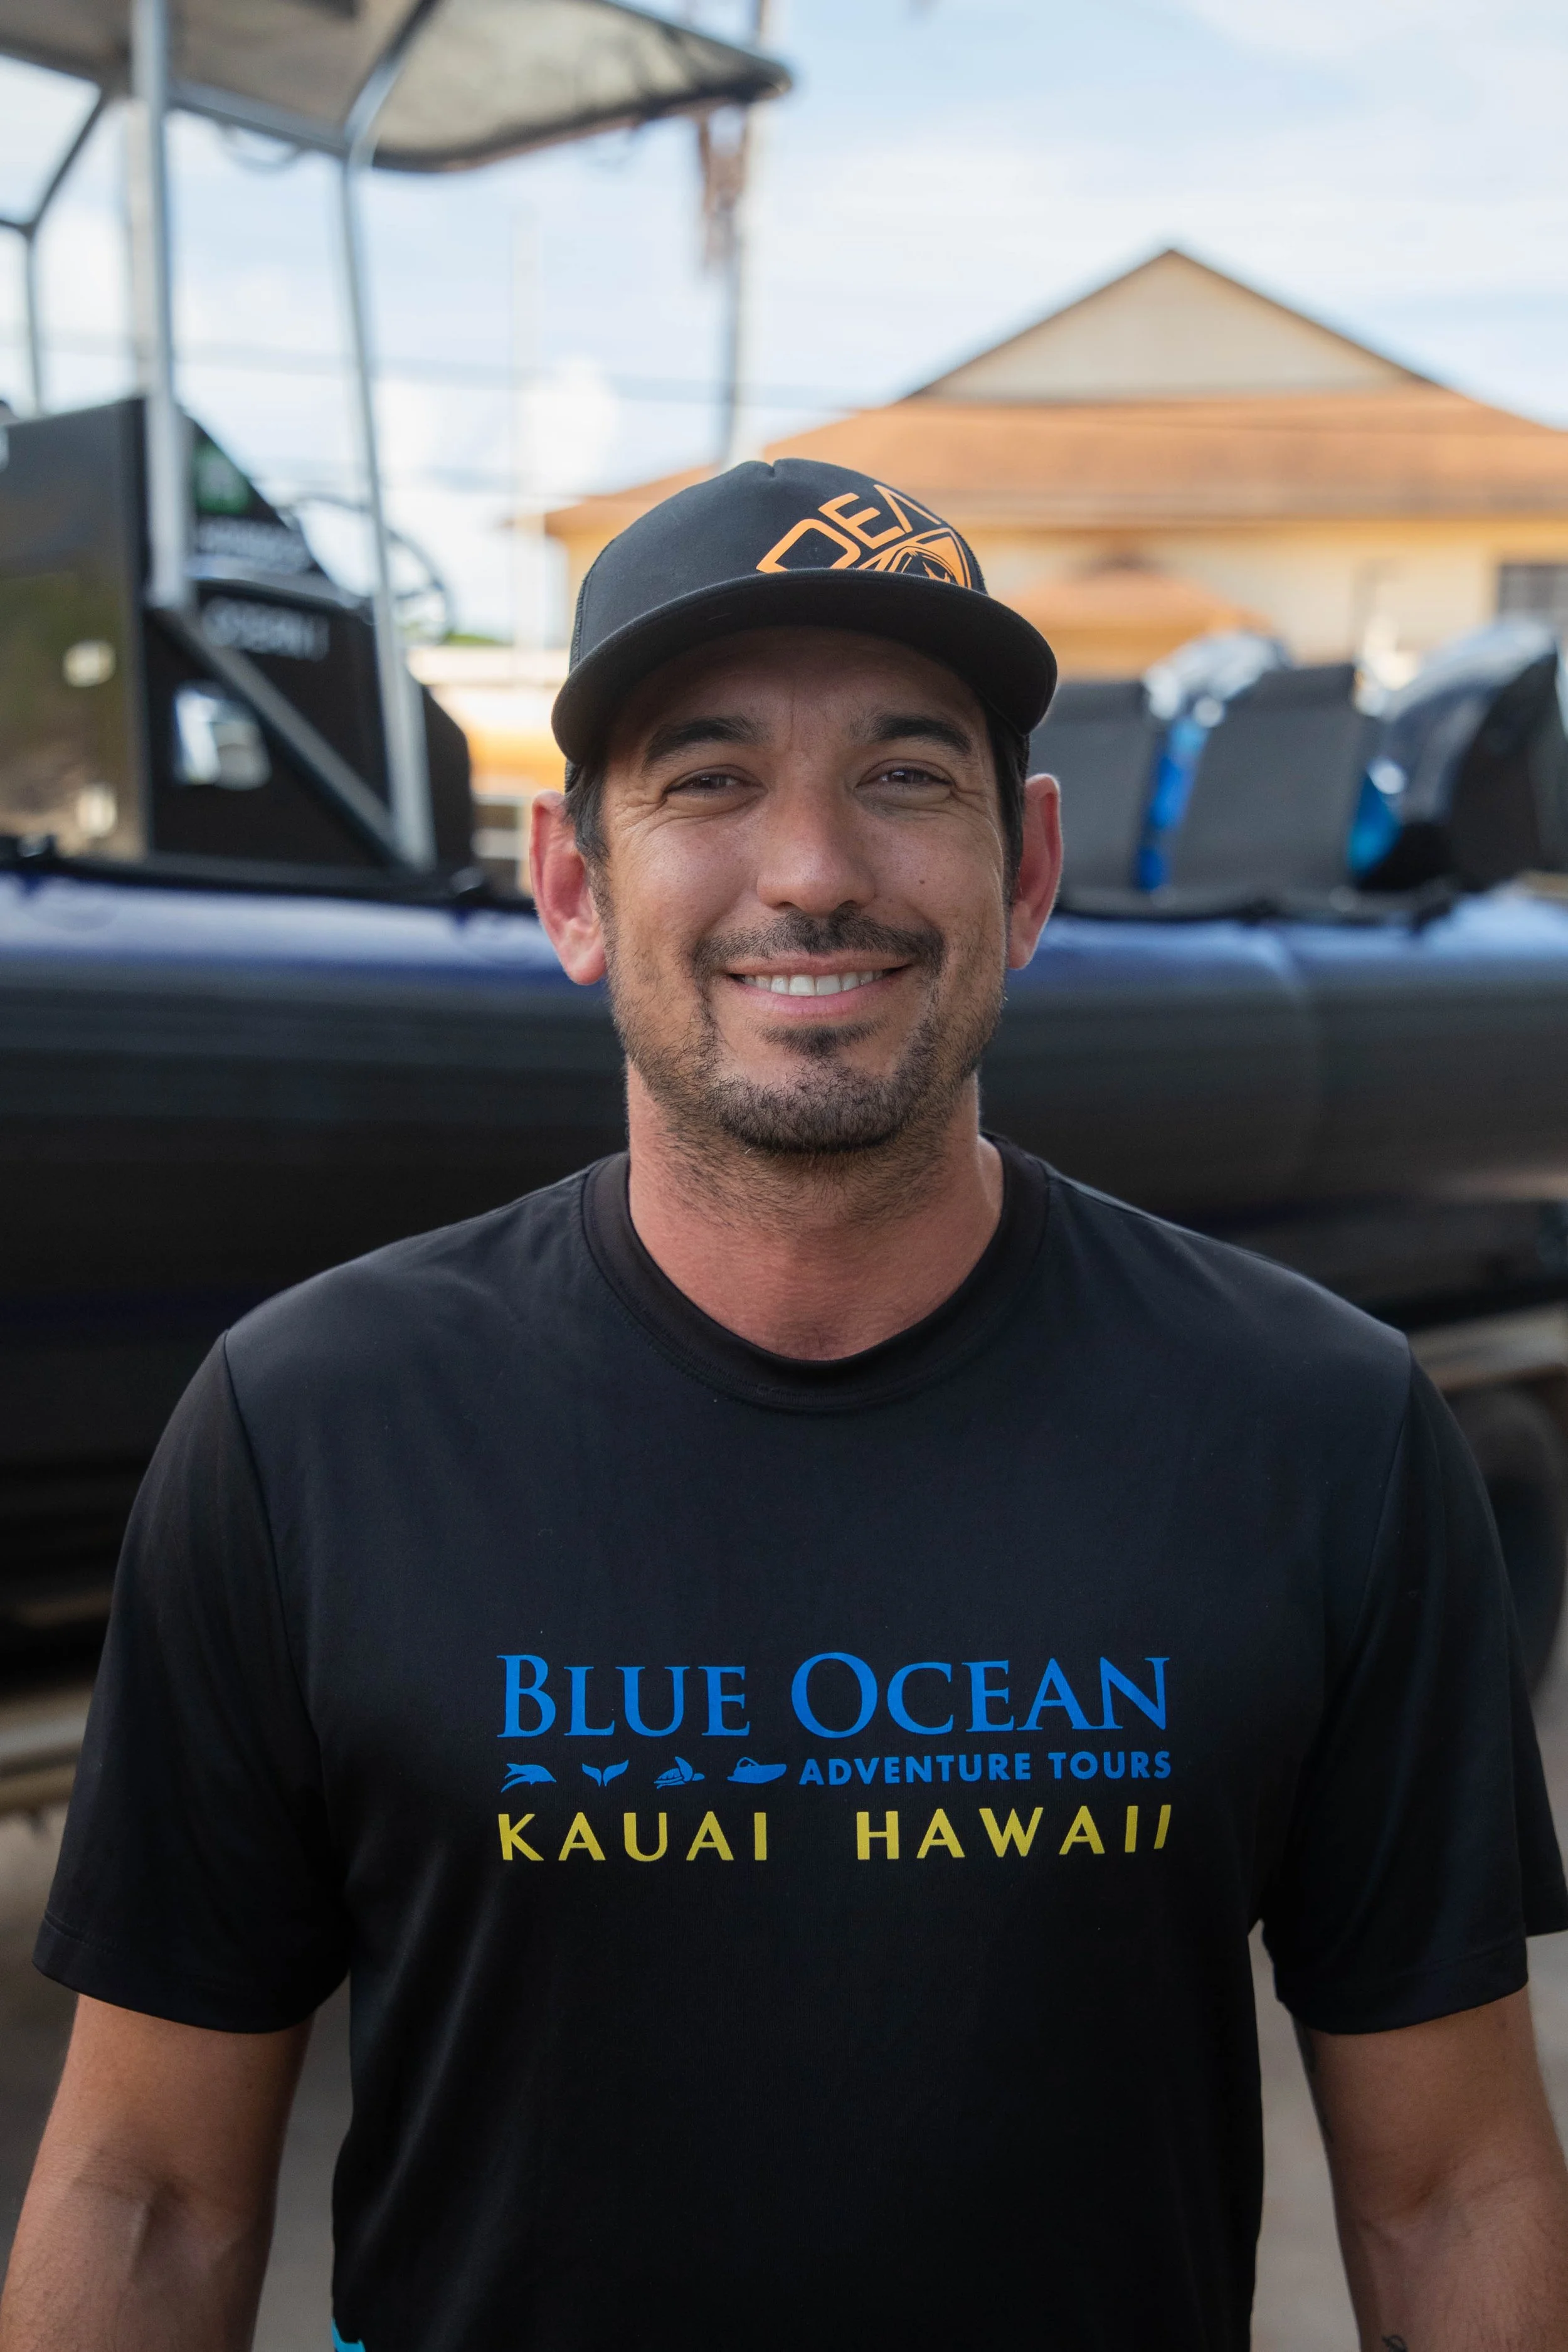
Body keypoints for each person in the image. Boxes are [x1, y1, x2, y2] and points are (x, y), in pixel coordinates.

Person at [3, 457, 1566, 2352]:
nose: (812, 867)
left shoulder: (1314, 1429)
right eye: (708, 778)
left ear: (1031, 870)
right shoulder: (306, 1429)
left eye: (906, 775)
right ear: (574, 883)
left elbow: (1451, 2184)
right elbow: (148, 2197)